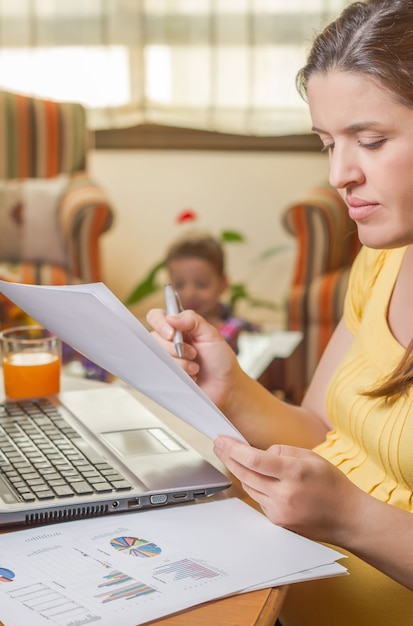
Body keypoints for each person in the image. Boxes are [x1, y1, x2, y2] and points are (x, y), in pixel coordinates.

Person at [147, 1, 413, 624]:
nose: (339, 174)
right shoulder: (383, 259)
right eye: (327, 143)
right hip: (281, 595)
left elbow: (349, 500)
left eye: (370, 141)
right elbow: (325, 431)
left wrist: (352, 517)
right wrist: (231, 387)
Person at [166, 232, 259, 353]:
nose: (189, 294)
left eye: (201, 284)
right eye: (179, 285)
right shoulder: (169, 331)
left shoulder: (242, 332)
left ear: (223, 285)